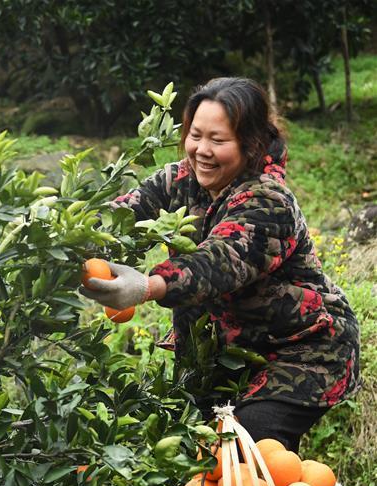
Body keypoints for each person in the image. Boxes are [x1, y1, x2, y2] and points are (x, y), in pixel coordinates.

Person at [79, 77, 360, 453]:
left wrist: (148, 286)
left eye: (219, 140)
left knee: (247, 447)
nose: (202, 150)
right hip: (221, 355)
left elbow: (220, 262)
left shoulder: (268, 201)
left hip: (300, 352)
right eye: (196, 136)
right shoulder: (179, 180)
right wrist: (64, 238)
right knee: (185, 452)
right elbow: (120, 217)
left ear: (251, 143)